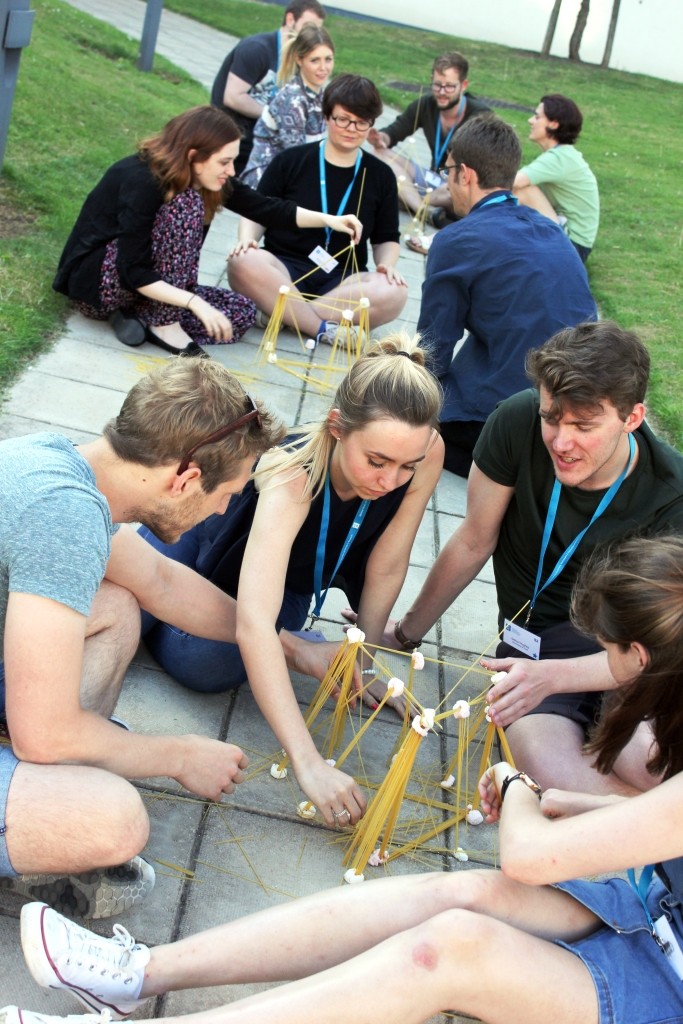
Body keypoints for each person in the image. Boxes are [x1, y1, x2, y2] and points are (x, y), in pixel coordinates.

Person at [10, 534, 683, 1024]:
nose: (600, 666)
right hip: (656, 910)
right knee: (463, 894)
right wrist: (573, 803)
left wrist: (511, 788)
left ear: (649, 658)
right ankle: (137, 975)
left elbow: (531, 854)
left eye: (611, 655)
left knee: (446, 952)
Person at [0, 358, 346, 918]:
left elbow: (161, 581)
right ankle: (32, 840)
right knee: (114, 819)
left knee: (116, 607)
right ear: (185, 477)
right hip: (38, 730)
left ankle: (39, 792)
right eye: (227, 493)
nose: (224, 508)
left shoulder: (64, 469)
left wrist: (286, 642)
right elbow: (43, 734)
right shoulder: (62, 521)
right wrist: (178, 756)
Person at [347, 321, 683, 795]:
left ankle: (653, 834)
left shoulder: (672, 494)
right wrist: (404, 633)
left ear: (632, 418)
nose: (561, 442)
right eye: (552, 417)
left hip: (630, 655)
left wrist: (558, 677)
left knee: (648, 766)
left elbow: (660, 651)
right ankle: (646, 835)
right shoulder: (515, 421)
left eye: (583, 426)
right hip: (533, 645)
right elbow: (472, 541)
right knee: (544, 766)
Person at [137, 334, 444, 824]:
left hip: (279, 587)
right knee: (146, 618)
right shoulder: (294, 471)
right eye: (377, 461)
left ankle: (174, 612)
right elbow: (253, 625)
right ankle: (288, 643)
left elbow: (387, 562)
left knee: (204, 665)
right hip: (203, 548)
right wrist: (308, 761)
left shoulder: (427, 451)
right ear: (337, 427)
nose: (389, 481)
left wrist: (361, 656)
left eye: (406, 466)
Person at [54, 105, 361, 358]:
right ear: (193, 156)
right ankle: (162, 323)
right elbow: (132, 269)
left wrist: (329, 220)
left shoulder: (203, 179)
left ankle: (138, 316)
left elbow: (264, 207)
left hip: (145, 287)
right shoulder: (144, 180)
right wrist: (193, 303)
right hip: (102, 281)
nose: (231, 171)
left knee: (240, 313)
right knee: (186, 205)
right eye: (224, 162)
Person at [416, 113, 596, 477]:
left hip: (504, 421)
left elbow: (432, 349)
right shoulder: (553, 232)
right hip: (575, 415)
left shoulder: (456, 240)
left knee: (408, 422)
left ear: (465, 174)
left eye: (448, 170)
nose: (448, 183)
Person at [228, 74, 407, 346]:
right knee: (243, 262)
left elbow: (386, 237)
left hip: (342, 280)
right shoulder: (291, 160)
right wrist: (246, 239)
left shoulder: (381, 175)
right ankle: (322, 328)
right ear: (327, 116)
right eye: (343, 119)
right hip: (283, 269)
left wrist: (387, 264)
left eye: (361, 123)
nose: (351, 129)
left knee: (395, 292)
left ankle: (282, 315)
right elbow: (258, 210)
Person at [369, 50, 490, 245]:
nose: (441, 92)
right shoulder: (426, 104)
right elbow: (394, 132)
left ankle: (407, 198)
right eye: (437, 85)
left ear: (463, 85)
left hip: (457, 185)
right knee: (380, 154)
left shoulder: (480, 116)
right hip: (432, 180)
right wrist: (379, 138)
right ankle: (422, 210)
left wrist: (454, 182)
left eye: (449, 86)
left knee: (462, 191)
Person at [210, 0, 326, 175]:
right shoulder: (257, 49)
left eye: (317, 29)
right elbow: (233, 97)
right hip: (232, 134)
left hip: (264, 137)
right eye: (308, 26)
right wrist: (274, 114)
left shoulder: (300, 59)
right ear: (290, 20)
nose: (312, 35)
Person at [241, 23, 334, 188]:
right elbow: (298, 156)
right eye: (315, 60)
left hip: (291, 177)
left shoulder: (321, 94)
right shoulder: (292, 99)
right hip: (265, 182)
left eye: (328, 59)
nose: (323, 68)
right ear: (299, 59)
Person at [514, 94, 599, 263]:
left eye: (537, 117)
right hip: (573, 243)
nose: (531, 121)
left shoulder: (559, 158)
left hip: (572, 248)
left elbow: (513, 182)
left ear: (554, 123)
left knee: (523, 190)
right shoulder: (562, 154)